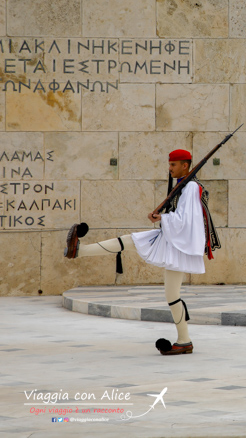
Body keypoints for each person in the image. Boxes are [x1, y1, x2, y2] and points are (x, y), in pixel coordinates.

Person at [64, 149, 220, 356]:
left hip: (179, 244)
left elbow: (186, 220)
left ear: (185, 165)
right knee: (132, 241)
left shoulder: (190, 186)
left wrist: (162, 218)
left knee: (171, 294)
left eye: (173, 165)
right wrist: (163, 218)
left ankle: (185, 341)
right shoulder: (183, 185)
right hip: (172, 239)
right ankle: (79, 251)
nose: (170, 168)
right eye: (170, 164)